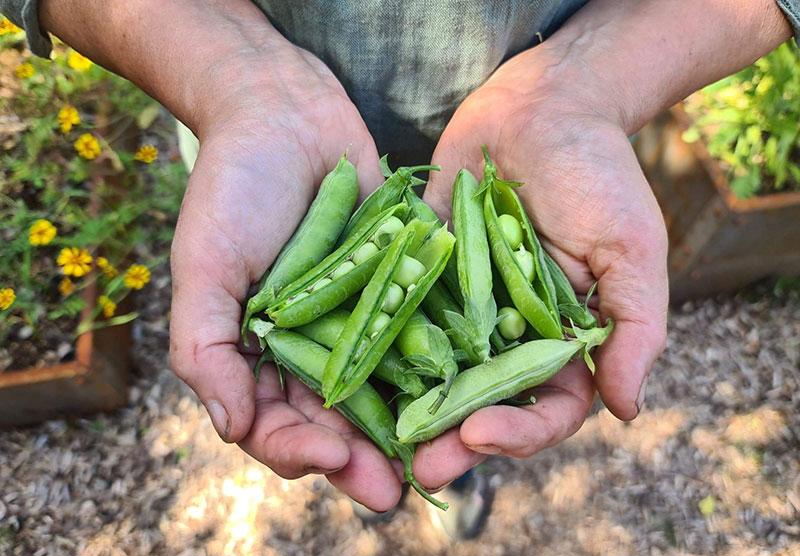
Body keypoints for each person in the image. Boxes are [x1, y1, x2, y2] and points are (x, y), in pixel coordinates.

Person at [4, 0, 796, 516]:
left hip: (537, 132)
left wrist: (590, 81)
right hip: (269, 151)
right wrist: (229, 78)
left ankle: (464, 465)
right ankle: (439, 456)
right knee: (429, 403)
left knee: (473, 415)